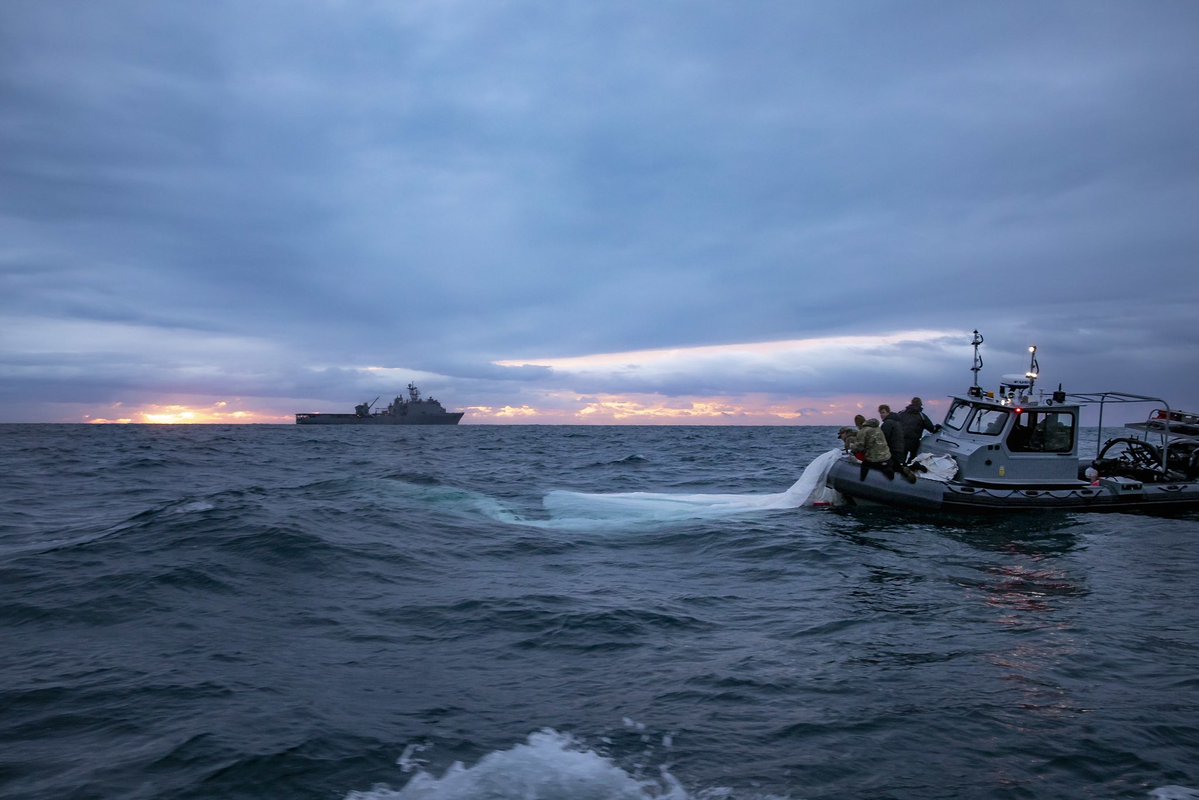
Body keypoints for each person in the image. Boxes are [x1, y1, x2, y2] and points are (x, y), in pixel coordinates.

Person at [894, 396, 940, 462]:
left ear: (911, 403)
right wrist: (937, 427)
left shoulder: (901, 413)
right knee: (913, 459)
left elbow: (894, 423)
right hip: (914, 441)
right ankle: (910, 467)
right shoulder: (922, 416)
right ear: (920, 404)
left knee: (900, 459)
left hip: (900, 440)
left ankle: (900, 468)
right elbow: (931, 429)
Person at [879, 405, 917, 483]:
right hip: (899, 452)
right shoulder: (897, 422)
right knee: (895, 465)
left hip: (891, 452)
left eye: (883, 412)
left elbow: (882, 439)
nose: (881, 415)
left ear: (888, 412)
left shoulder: (888, 423)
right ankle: (903, 470)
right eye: (880, 413)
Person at [852, 414, 894, 481]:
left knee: (865, 464)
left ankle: (862, 480)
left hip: (875, 457)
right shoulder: (876, 428)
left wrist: (852, 447)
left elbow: (860, 447)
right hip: (885, 454)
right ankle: (885, 468)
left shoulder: (862, 431)